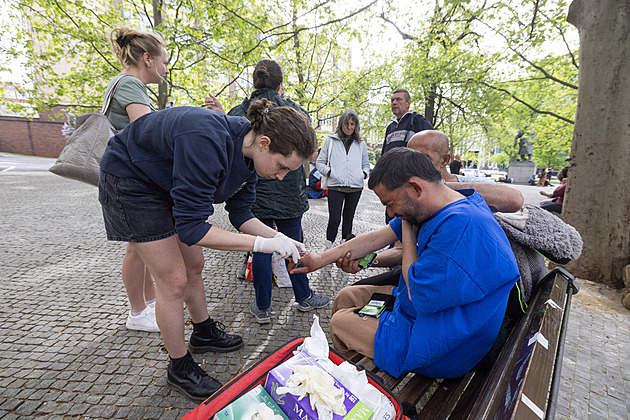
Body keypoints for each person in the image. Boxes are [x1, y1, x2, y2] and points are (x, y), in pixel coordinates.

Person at [98, 99, 316, 402]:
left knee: (194, 264)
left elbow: (241, 215)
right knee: (173, 279)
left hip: (161, 185)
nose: (280, 177)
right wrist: (263, 245)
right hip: (130, 180)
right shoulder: (206, 140)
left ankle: (202, 332)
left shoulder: (251, 157)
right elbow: (192, 228)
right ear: (264, 143)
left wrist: (281, 239)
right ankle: (179, 366)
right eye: (281, 167)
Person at [291, 148, 520, 379]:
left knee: (340, 322)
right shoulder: (437, 206)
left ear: (415, 188)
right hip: (434, 315)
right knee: (346, 297)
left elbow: (419, 296)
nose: (390, 213)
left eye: (390, 203)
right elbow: (374, 239)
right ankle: (369, 359)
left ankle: (369, 378)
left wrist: (408, 234)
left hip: (444, 344)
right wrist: (318, 260)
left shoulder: (459, 227)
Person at [225, 59, 329, 324]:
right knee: (294, 245)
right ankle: (304, 297)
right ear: (281, 85)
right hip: (288, 198)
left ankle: (262, 306)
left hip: (254, 196)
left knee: (261, 247)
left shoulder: (240, 110)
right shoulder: (293, 110)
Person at [105, 26, 172, 333]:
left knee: (140, 245)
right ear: (147, 58)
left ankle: (148, 303)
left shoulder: (125, 84)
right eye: (165, 60)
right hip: (126, 180)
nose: (166, 68)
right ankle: (137, 312)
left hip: (126, 179)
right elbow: (147, 133)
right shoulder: (131, 84)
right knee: (136, 247)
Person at [316, 110, 370, 250]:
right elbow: (319, 162)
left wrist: (362, 174)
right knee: (334, 219)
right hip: (335, 186)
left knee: (349, 218)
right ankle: (328, 246)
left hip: (355, 187)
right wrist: (330, 172)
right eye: (347, 123)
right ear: (341, 124)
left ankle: (345, 246)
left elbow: (365, 164)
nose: (349, 127)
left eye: (352, 124)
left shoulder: (360, 143)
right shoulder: (330, 140)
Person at [407, 131, 496, 183]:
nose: (414, 164)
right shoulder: (406, 185)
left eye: (424, 158)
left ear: (445, 160)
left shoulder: (472, 183)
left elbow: (502, 194)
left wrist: (440, 186)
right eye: (410, 158)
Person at [381, 89, 433, 157]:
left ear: (408, 103)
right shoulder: (390, 127)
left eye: (398, 99)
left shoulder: (418, 122)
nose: (394, 103)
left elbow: (432, 147)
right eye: (392, 100)